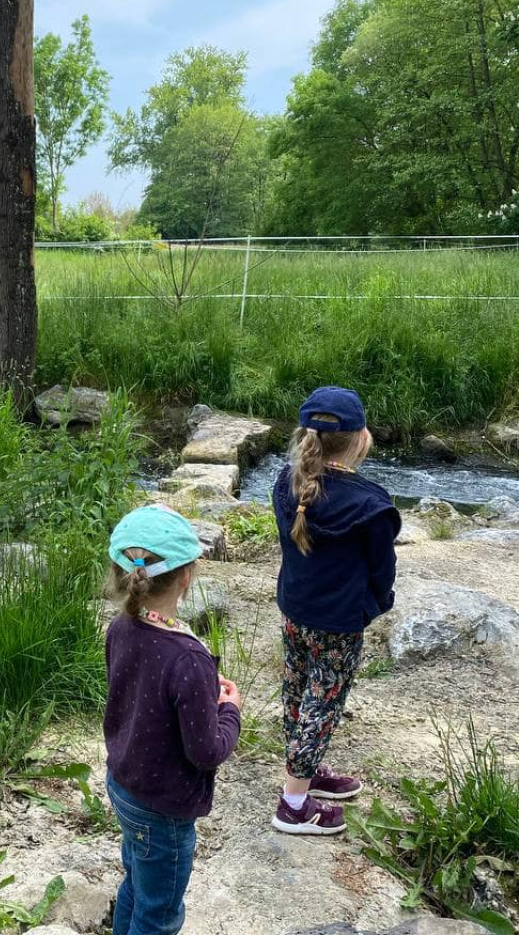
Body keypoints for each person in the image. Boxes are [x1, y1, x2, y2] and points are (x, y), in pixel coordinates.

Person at [104, 504, 243, 935]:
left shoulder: (119, 628)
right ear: (186, 577)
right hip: (162, 807)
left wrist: (200, 693)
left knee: (138, 885)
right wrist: (229, 711)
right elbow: (205, 752)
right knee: (160, 912)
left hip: (123, 784)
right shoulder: (189, 657)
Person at [270, 385, 399, 836]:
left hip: (294, 609)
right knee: (322, 704)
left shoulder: (285, 485)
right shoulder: (372, 506)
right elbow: (382, 573)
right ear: (361, 438)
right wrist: (372, 607)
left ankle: (306, 768)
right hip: (339, 623)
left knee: (297, 691)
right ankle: (293, 804)